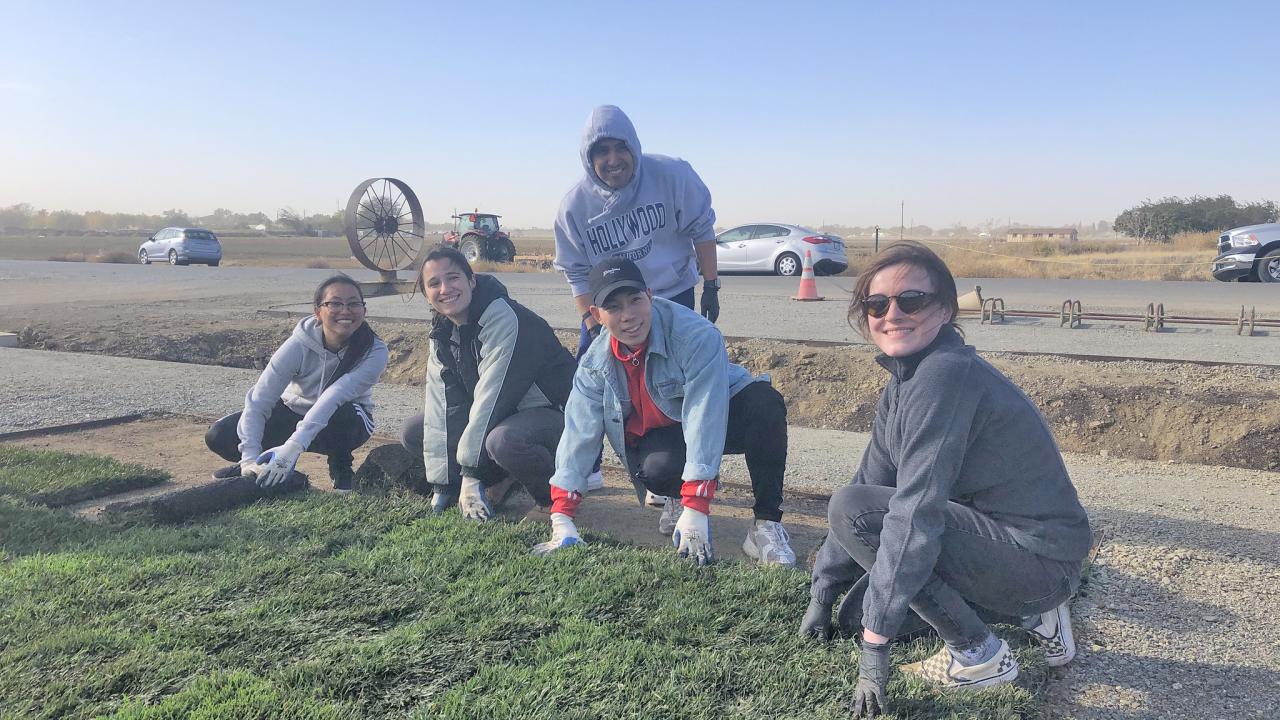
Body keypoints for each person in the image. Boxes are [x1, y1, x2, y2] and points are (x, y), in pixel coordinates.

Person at [796, 241, 1091, 717]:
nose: (891, 314)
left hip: (1037, 559)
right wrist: (823, 593)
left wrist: (875, 650)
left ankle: (980, 656)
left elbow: (913, 511)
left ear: (946, 308)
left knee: (864, 524)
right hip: (1025, 549)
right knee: (857, 608)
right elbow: (870, 477)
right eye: (877, 304)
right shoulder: (906, 380)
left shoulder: (943, 377)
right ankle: (1040, 614)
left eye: (910, 301)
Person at [531, 257, 796, 567]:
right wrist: (561, 515)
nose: (628, 316)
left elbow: (704, 413)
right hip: (667, 431)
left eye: (635, 300)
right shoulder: (594, 365)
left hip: (721, 408)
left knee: (765, 403)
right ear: (596, 315)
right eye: (614, 307)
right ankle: (675, 498)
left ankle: (765, 524)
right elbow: (578, 434)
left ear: (650, 296)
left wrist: (698, 503)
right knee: (656, 469)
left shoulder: (696, 336)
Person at [554, 104, 722, 507]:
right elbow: (576, 271)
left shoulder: (673, 175)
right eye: (601, 152)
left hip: (671, 292)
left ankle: (674, 472)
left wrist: (711, 284)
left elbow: (702, 229)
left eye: (619, 148)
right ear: (588, 159)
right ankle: (587, 468)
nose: (612, 160)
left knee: (673, 380)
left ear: (634, 147)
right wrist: (591, 323)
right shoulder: (574, 206)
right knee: (592, 381)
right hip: (609, 303)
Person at [400, 245, 577, 518]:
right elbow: (443, 405)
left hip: (554, 416)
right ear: (426, 295)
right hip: (503, 414)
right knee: (415, 430)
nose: (445, 288)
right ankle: (499, 481)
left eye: (453, 277)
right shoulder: (442, 333)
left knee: (504, 441)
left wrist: (469, 474)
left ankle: (553, 497)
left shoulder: (504, 318)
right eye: (434, 283)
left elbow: (493, 397)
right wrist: (442, 486)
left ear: (471, 280)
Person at [206, 274, 388, 491]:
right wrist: (249, 457)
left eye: (354, 304)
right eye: (335, 303)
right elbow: (260, 400)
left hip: (344, 419)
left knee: (342, 412)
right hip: (295, 410)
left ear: (364, 311)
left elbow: (334, 396)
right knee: (219, 435)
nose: (345, 311)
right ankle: (260, 466)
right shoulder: (298, 344)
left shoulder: (374, 351)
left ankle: (341, 467)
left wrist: (293, 447)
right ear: (318, 312)